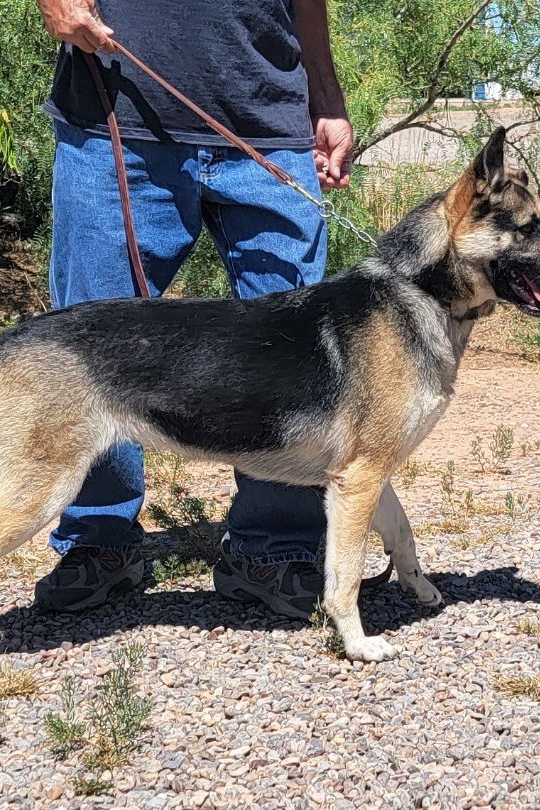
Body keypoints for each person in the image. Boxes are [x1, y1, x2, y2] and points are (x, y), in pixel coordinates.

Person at [33, 0, 354, 619]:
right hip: (115, 118)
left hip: (269, 123)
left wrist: (326, 94)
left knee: (295, 357)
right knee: (91, 347)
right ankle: (99, 541)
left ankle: (275, 549)